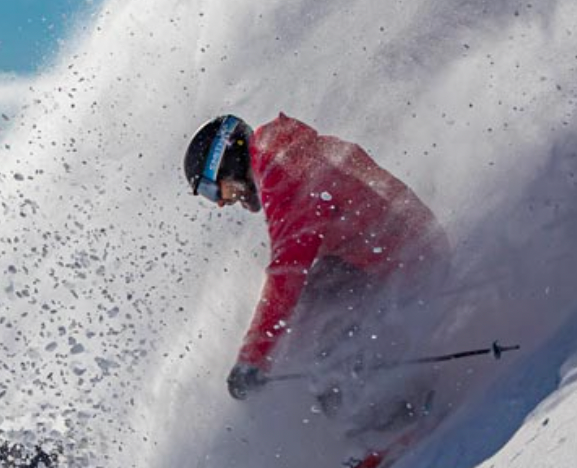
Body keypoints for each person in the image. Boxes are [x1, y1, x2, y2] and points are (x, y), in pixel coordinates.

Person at [184, 112, 450, 431]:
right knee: (313, 303)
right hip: (408, 250)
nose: (220, 203)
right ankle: (387, 388)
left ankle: (400, 407)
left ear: (226, 161)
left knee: (313, 322)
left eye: (213, 190)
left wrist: (252, 359)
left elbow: (287, 273)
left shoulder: (280, 173)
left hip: (404, 264)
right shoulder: (286, 150)